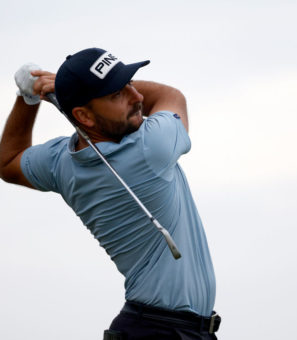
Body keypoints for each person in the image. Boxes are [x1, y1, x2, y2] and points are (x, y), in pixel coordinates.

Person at [0, 47, 220, 339]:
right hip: (160, 331)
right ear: (83, 116)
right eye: (117, 94)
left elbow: (7, 161)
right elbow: (171, 95)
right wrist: (59, 86)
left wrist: (28, 98)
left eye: (129, 83)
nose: (137, 96)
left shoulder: (60, 163)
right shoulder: (151, 148)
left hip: (154, 327)